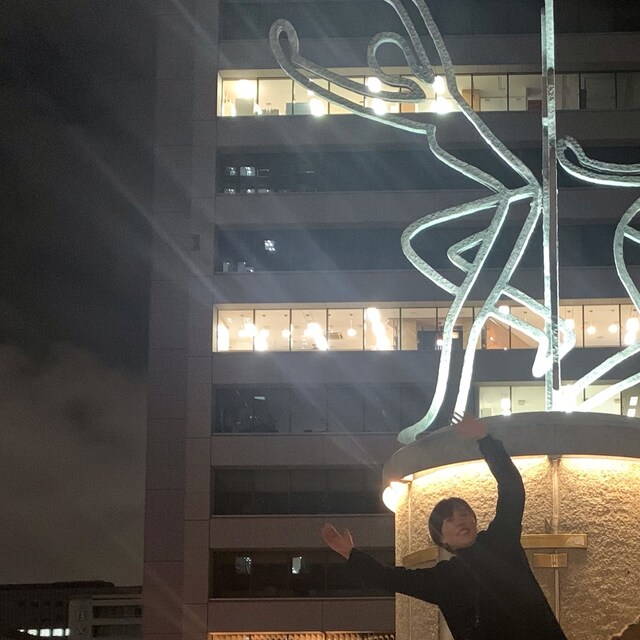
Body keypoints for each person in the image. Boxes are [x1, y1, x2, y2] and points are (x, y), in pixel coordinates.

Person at [321, 416, 567, 640]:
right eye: (450, 519)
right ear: (441, 539)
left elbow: (511, 488)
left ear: (474, 521)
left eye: (464, 514)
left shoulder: (501, 541)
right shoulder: (443, 579)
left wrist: (485, 441)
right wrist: (351, 554)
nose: (460, 520)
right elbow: (389, 577)